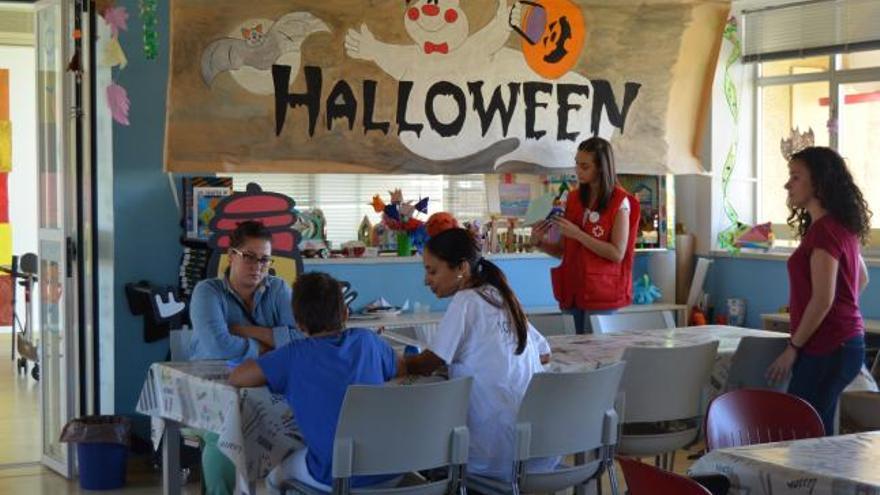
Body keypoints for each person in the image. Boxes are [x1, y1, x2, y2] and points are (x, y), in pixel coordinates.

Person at [229, 272, 404, 493]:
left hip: (334, 476)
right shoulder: (368, 341)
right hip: (392, 470)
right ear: (345, 312)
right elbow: (402, 366)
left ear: (299, 324)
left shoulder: (293, 355)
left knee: (274, 477)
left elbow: (237, 377)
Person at [404, 228, 555, 481]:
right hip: (535, 453)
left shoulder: (466, 300)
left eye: (432, 271)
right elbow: (544, 354)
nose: (426, 280)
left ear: (462, 267)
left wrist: (395, 362)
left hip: (491, 458)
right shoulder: (501, 296)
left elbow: (427, 364)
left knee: (418, 458)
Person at [188, 220, 302, 495]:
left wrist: (244, 331)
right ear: (231, 256)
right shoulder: (208, 291)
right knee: (223, 431)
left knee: (304, 420)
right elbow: (218, 347)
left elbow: (300, 340)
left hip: (265, 390)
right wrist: (267, 344)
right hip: (209, 392)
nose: (258, 266)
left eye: (264, 259)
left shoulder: (278, 289)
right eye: (249, 257)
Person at [767, 146, 871, 436]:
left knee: (804, 430)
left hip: (828, 346)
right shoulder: (841, 227)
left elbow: (823, 300)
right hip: (845, 342)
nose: (788, 184)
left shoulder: (825, 231)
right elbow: (860, 278)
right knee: (815, 430)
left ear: (819, 183)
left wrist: (793, 349)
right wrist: (841, 310)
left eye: (796, 177)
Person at [531, 137, 640, 334]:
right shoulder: (573, 199)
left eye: (585, 166)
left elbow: (617, 253)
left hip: (601, 292)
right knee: (573, 354)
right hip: (572, 290)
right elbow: (564, 251)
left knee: (596, 356)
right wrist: (540, 243)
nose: (578, 171)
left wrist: (579, 235)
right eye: (577, 164)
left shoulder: (620, 202)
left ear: (601, 168)